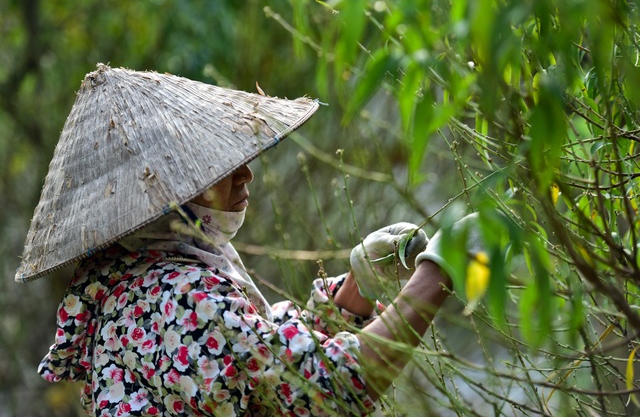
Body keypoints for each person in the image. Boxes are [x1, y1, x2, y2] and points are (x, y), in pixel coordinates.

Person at [20, 65, 468, 416]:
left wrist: (356, 289)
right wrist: (439, 270)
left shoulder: (142, 280)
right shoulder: (178, 297)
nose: (245, 173)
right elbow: (321, 391)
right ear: (160, 196)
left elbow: (262, 377)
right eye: (212, 167)